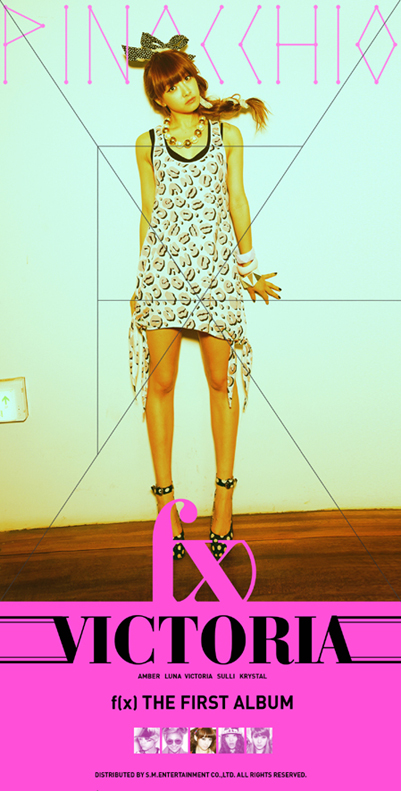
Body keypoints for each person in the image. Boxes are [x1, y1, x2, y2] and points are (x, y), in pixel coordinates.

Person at [123, 33, 281, 559]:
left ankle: (223, 499)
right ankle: (166, 508)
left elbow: (237, 200)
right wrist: (142, 281)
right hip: (163, 276)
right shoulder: (147, 143)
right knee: (161, 383)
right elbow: (150, 212)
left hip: (215, 275)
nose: (186, 89)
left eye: (188, 77)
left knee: (221, 382)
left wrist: (247, 269)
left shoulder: (227, 135)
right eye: (173, 85)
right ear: (159, 96)